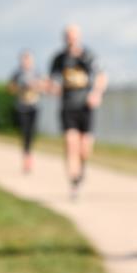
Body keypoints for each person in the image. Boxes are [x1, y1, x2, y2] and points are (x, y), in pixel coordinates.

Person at [49, 24, 106, 198]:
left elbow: (102, 76)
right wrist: (52, 87)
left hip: (86, 106)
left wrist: (96, 93)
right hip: (68, 106)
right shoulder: (59, 59)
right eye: (68, 36)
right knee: (70, 143)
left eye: (73, 36)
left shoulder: (88, 56)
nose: (71, 39)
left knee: (84, 148)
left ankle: (81, 169)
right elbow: (52, 80)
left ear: (79, 37)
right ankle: (73, 182)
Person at [8, 50, 44, 173]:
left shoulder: (37, 73)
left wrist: (35, 85)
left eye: (28, 60)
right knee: (24, 132)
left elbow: (44, 86)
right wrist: (21, 86)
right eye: (24, 60)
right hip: (21, 107)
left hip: (34, 106)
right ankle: (25, 157)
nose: (26, 62)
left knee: (31, 133)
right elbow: (10, 88)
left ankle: (29, 158)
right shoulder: (17, 73)